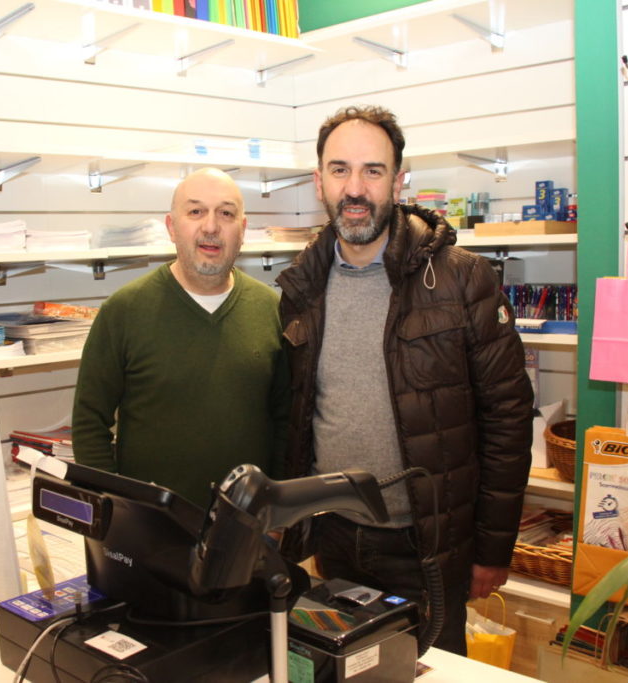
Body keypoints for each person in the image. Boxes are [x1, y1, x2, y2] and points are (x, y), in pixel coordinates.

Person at [276, 105, 534, 655]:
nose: (355, 188)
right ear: (319, 182)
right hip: (335, 538)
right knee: (346, 668)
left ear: (398, 182)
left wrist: (492, 549)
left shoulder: (463, 278)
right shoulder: (302, 285)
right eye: (340, 170)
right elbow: (295, 414)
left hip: (427, 546)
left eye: (373, 171)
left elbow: (508, 421)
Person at [71, 167, 290, 510]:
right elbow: (89, 424)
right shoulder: (124, 311)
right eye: (196, 211)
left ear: (243, 229)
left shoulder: (270, 309)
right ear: (172, 227)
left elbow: (286, 422)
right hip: (150, 527)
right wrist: (115, 512)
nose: (211, 227)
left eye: (226, 214)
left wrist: (276, 513)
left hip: (246, 527)